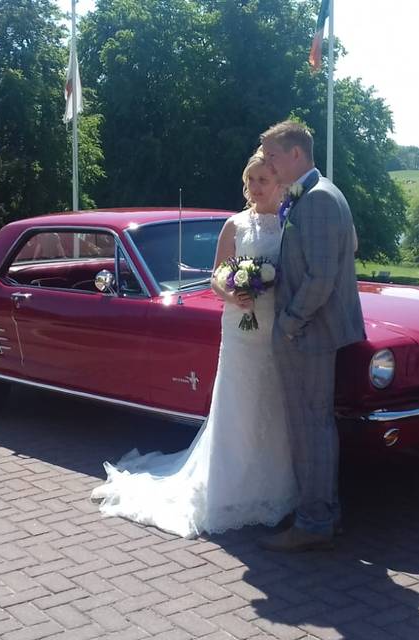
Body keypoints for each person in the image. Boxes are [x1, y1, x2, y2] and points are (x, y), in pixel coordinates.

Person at [90, 151, 297, 539]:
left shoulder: (291, 223)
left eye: (262, 181)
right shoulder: (235, 226)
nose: (254, 188)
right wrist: (234, 293)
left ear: (280, 183)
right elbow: (217, 277)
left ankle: (276, 489)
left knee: (273, 405)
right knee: (238, 404)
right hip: (240, 324)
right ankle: (230, 490)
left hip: (276, 326)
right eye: (250, 180)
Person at [257, 120, 365, 552]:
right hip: (313, 331)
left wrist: (289, 322)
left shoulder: (317, 199)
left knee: (310, 427)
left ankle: (314, 521)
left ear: (297, 155)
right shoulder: (317, 193)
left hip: (309, 334)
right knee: (314, 425)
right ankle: (324, 514)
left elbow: (321, 277)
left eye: (273, 156)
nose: (268, 163)